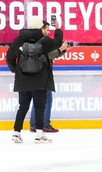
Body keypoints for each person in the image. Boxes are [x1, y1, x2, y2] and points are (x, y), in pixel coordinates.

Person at [7, 16, 67, 144]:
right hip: (40, 80)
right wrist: (58, 28)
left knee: (22, 107)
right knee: (40, 107)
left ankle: (16, 134)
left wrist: (16, 71)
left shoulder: (19, 40)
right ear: (40, 27)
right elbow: (57, 42)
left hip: (22, 80)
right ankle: (39, 135)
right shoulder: (44, 41)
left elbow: (9, 57)